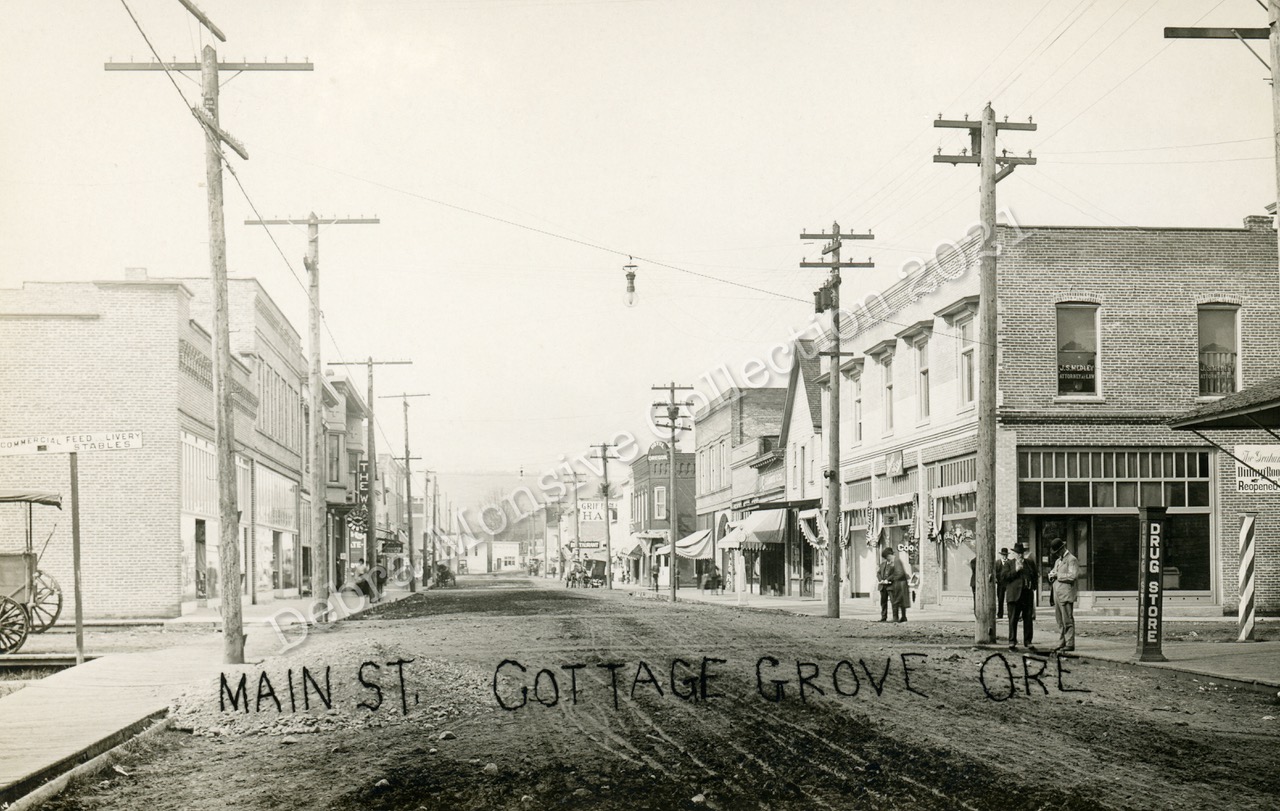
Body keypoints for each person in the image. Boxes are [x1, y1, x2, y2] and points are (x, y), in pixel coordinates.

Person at [1002, 542, 1039, 650]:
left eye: (1022, 553)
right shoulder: (1009, 564)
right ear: (1014, 554)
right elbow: (1003, 578)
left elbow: (1035, 575)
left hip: (1027, 595)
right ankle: (1012, 641)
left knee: (1028, 619)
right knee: (1013, 619)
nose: (1020, 555)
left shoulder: (1029, 563)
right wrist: (1016, 570)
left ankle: (1028, 641)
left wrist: (1033, 587)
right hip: (1014, 596)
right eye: (1018, 553)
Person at [1048, 537, 1079, 652]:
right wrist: (1051, 575)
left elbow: (1073, 576)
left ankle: (1070, 642)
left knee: (1067, 619)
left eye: (1057, 552)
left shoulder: (1072, 560)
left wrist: (1057, 575)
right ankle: (1062, 641)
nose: (1056, 555)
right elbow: (1055, 573)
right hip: (1057, 593)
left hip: (1066, 593)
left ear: (1062, 549)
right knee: (1059, 620)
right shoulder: (1058, 561)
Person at [888, 548, 910, 622]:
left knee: (896, 601)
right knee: (901, 601)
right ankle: (903, 617)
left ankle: (896, 618)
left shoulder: (896, 561)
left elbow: (900, 573)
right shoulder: (894, 561)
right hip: (900, 584)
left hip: (899, 585)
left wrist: (891, 578)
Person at [876, 547, 894, 621]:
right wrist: (881, 580)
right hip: (883, 586)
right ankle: (883, 617)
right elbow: (878, 573)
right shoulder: (883, 564)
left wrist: (887, 580)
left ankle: (895, 617)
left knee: (893, 602)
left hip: (891, 586)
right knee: (883, 602)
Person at [995, 548, 1011, 619]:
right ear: (1001, 555)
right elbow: (994, 572)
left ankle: (1009, 613)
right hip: (1000, 584)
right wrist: (996, 578)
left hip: (1008, 583)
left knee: (1009, 599)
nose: (1004, 557)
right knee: (1000, 599)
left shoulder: (1010, 562)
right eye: (1003, 555)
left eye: (1006, 555)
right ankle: (1000, 614)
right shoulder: (997, 563)